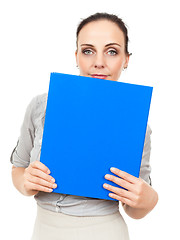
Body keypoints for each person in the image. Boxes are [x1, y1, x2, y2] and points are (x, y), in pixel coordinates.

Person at [10, 12, 158, 240]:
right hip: (43, 231)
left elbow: (134, 207)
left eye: (112, 51)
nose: (99, 62)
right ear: (76, 55)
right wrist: (26, 182)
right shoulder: (42, 105)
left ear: (126, 59)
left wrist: (148, 200)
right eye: (88, 50)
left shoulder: (135, 123)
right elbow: (18, 169)